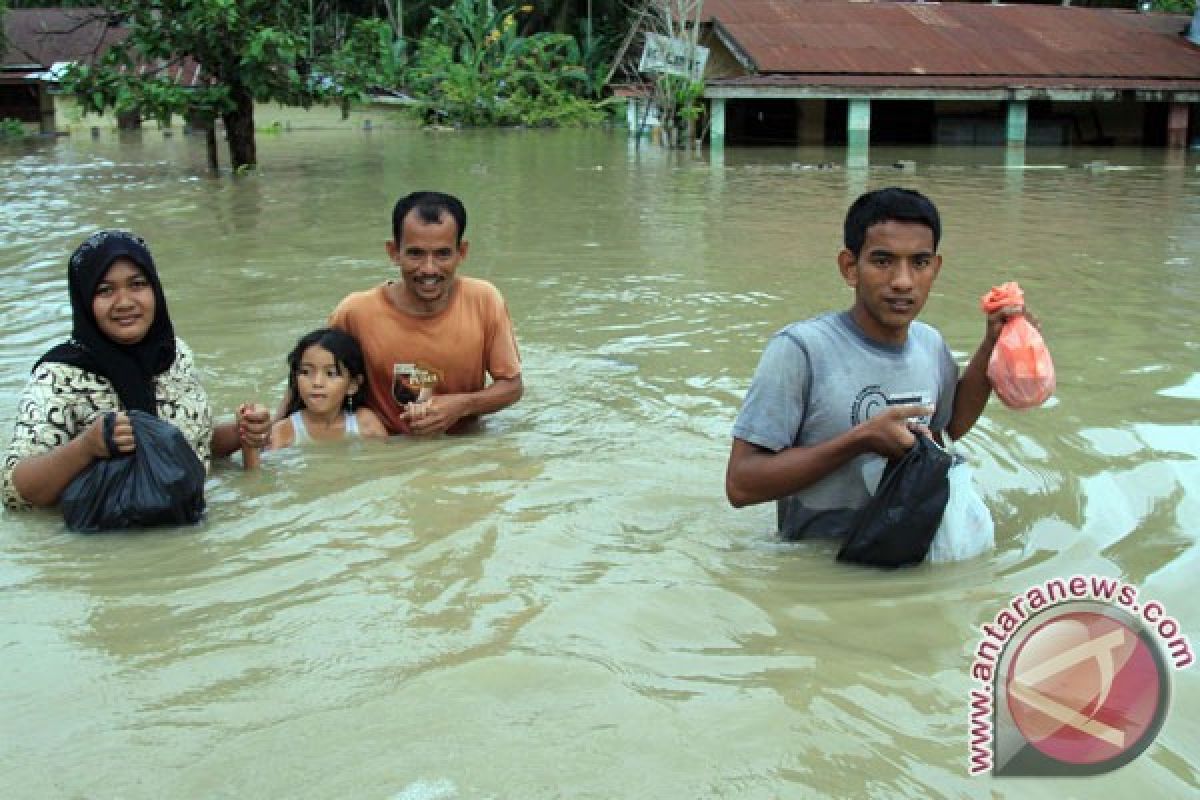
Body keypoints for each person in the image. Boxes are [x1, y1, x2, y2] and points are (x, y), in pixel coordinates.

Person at [724, 187, 1025, 540]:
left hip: (905, 548)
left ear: (936, 267)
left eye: (920, 262)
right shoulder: (801, 350)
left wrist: (993, 343)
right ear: (850, 268)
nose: (903, 281)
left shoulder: (930, 344)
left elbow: (947, 428)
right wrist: (859, 440)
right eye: (883, 261)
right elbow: (741, 485)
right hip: (820, 562)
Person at [1, 231, 271, 512]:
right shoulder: (60, 377)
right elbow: (14, 491)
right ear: (84, 300)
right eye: (105, 290)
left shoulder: (173, 355)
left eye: (137, 284)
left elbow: (192, 443)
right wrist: (86, 448)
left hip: (193, 530)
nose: (125, 302)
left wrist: (242, 432)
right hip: (106, 546)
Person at [327, 190, 523, 435]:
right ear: (394, 252)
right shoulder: (355, 312)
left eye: (442, 254)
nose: (429, 269)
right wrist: (267, 434)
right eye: (415, 254)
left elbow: (512, 386)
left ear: (461, 252)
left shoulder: (484, 300)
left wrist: (460, 406)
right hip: (386, 451)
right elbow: (311, 383)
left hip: (464, 447)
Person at [267, 327, 388, 449]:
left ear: (353, 385)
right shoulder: (283, 432)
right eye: (306, 372)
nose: (317, 382)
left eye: (331, 373)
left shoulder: (366, 423)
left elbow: (388, 463)